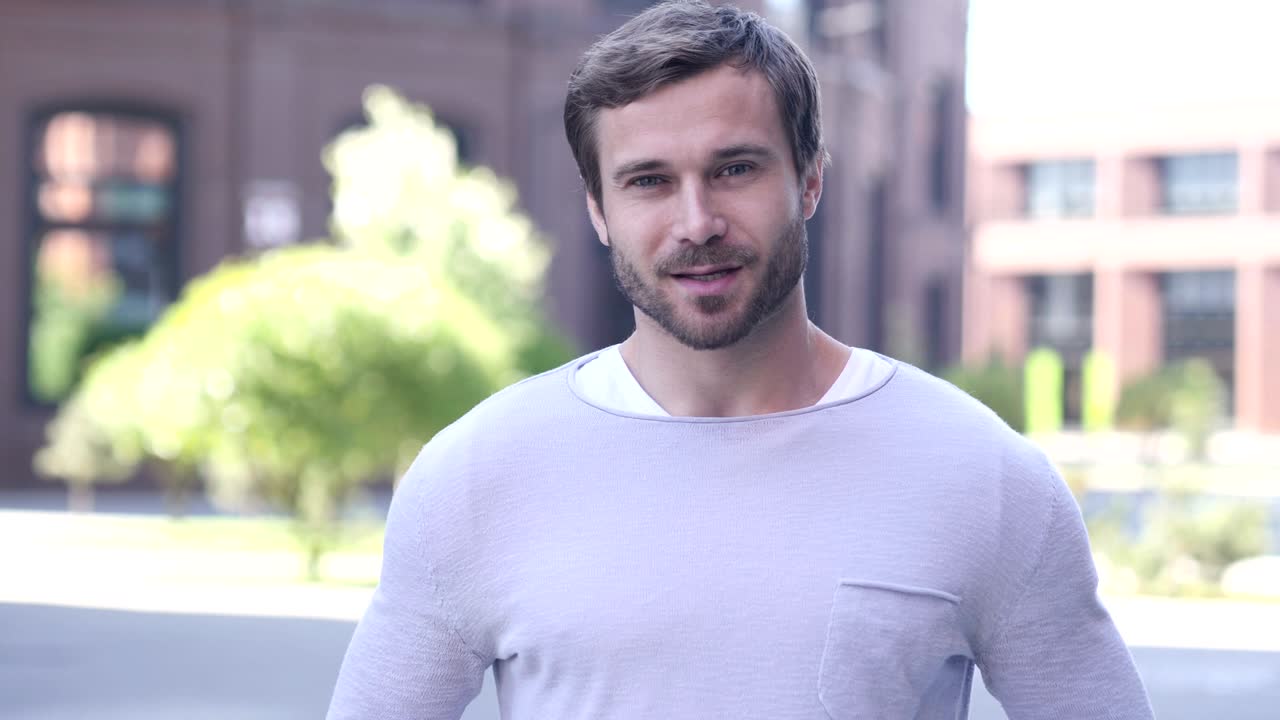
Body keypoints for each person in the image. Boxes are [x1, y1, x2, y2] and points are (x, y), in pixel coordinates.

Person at [326, 1, 1154, 718]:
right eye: (648, 181)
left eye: (735, 169)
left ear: (810, 182)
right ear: (599, 211)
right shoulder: (479, 474)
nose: (697, 221)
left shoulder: (983, 475)